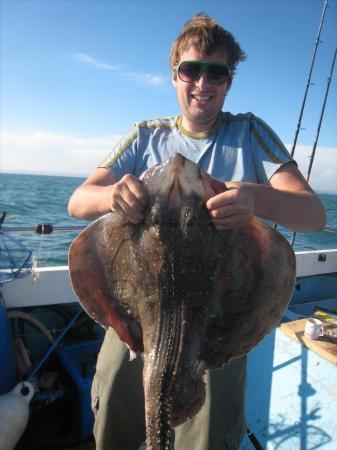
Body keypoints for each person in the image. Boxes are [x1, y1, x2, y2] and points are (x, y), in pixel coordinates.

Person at [68, 13, 326, 450]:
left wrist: (255, 198)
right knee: (114, 411)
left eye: (216, 73)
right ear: (174, 75)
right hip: (136, 320)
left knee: (205, 436)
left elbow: (313, 215)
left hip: (217, 325)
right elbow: (79, 202)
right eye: (191, 70)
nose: (202, 83)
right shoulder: (145, 135)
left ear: (229, 82)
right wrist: (112, 195)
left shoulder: (250, 134)